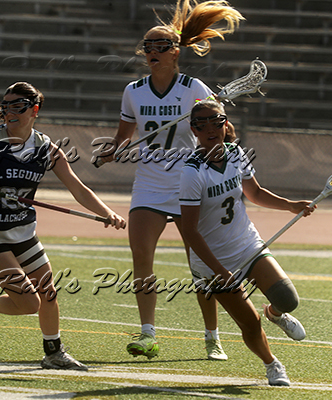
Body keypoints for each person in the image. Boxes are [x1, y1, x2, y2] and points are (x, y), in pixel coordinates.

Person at [98, 0, 244, 360]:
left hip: (188, 182)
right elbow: (123, 136)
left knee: (199, 263)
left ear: (175, 52)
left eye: (160, 46)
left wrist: (220, 130)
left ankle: (212, 336)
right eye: (147, 46)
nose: (152, 51)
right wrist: (111, 150)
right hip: (149, 184)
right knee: (141, 256)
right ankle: (147, 333)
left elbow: (220, 129)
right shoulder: (133, 91)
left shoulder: (194, 88)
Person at [0, 81, 126, 371]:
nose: (10, 112)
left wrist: (107, 213)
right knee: (30, 303)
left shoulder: (46, 148)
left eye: (18, 106)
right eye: (6, 106)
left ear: (35, 110)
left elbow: (78, 189)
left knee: (48, 292)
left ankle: (54, 353)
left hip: (23, 231)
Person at [179, 99, 316, 385]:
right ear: (194, 130)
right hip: (213, 260)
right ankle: (272, 364)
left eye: (216, 121)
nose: (210, 129)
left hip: (247, 245)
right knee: (250, 324)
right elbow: (189, 231)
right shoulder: (192, 172)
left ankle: (275, 314)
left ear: (225, 123)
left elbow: (255, 193)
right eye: (202, 124)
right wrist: (219, 270)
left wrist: (291, 205)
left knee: (287, 299)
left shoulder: (236, 153)